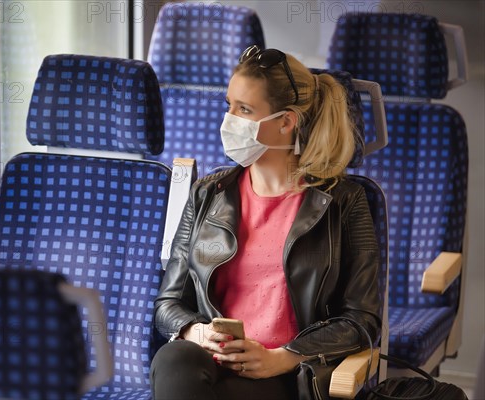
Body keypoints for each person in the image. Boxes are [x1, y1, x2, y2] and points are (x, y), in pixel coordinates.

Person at [150, 45, 381, 400]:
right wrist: (196, 332)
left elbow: (361, 321)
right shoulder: (208, 193)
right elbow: (168, 304)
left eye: (243, 109)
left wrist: (285, 356)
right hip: (207, 362)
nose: (228, 119)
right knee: (173, 359)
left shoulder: (345, 202)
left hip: (284, 372)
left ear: (286, 122)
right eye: (228, 105)